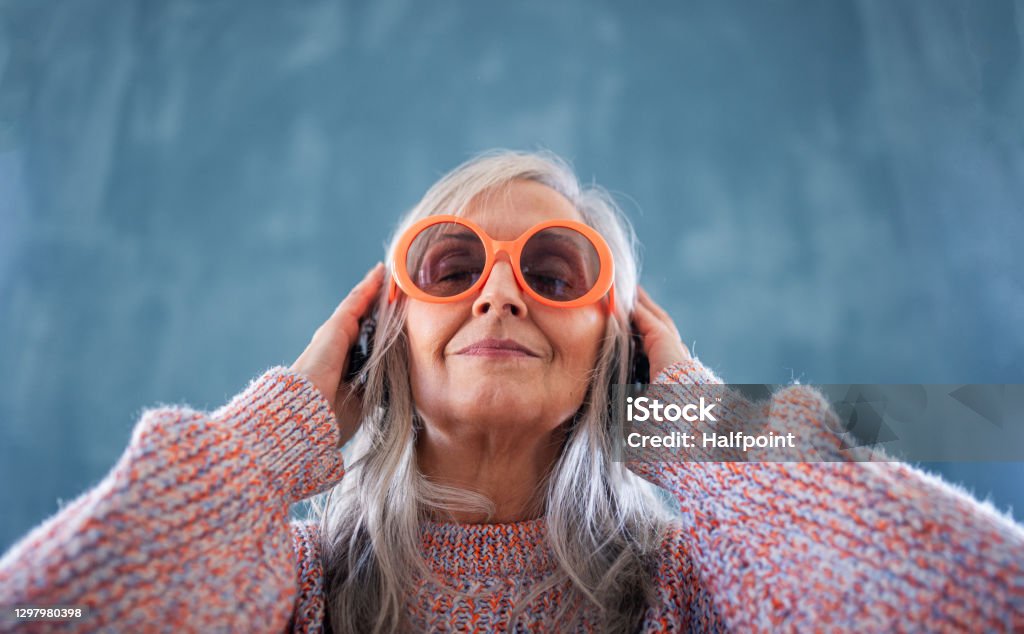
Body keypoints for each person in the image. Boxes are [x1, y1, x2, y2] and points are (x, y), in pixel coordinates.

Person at [1, 149, 1022, 633]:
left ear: (613, 354)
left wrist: (703, 424)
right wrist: (277, 435)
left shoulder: (690, 593)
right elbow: (41, 612)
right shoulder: (291, 590)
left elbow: (979, 603)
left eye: (554, 269)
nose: (497, 294)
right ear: (384, 339)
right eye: (450, 267)